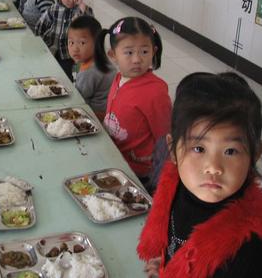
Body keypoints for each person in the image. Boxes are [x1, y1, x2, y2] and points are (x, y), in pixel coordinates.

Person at [137, 72, 262, 277]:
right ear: (173, 149)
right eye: (199, 149)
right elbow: (179, 242)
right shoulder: (173, 188)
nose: (213, 167)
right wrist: (168, 262)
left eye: (230, 151)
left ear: (254, 155)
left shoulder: (249, 248)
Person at [95, 17, 172, 188]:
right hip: (114, 156)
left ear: (154, 51)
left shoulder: (155, 92)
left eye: (144, 52)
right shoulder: (119, 78)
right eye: (129, 52)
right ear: (113, 55)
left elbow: (165, 138)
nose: (137, 59)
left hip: (138, 173)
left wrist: (160, 182)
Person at [35, 0, 93, 79]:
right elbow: (41, 25)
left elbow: (89, 25)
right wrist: (38, 42)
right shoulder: (54, 8)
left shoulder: (81, 10)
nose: (71, 0)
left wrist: (82, 7)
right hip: (50, 47)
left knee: (65, 76)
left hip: (67, 53)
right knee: (46, 70)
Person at [68, 16, 116, 121]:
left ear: (97, 43)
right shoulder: (101, 59)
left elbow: (77, 99)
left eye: (82, 43)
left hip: (96, 117)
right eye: (71, 42)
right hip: (110, 112)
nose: (75, 49)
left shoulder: (90, 71)